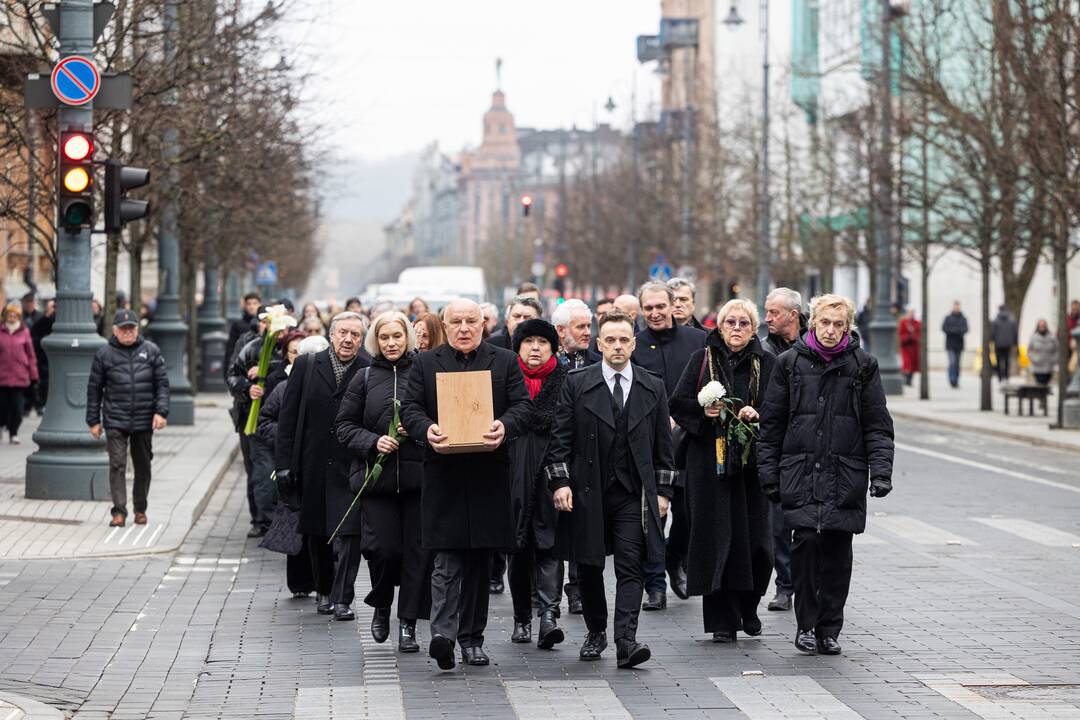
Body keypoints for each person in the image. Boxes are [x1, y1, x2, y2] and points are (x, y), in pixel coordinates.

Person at [759, 293, 895, 656]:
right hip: (800, 473)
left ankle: (829, 628)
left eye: (839, 324)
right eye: (825, 323)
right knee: (804, 547)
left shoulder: (863, 366)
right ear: (812, 322)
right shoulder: (788, 364)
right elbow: (771, 426)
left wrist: (881, 472)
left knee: (837, 553)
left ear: (848, 327)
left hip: (844, 473)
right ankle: (805, 624)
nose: (831, 331)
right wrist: (769, 475)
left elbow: (877, 425)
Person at [401, 299, 530, 670]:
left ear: (483, 324)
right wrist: (427, 429)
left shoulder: (504, 360)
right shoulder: (426, 363)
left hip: (489, 474)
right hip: (444, 475)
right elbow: (410, 408)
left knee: (479, 562)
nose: (463, 328)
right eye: (455, 321)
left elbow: (522, 407)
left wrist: (505, 426)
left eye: (471, 321)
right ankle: (443, 635)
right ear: (445, 324)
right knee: (445, 558)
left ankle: (473, 640)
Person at [544, 310, 675, 668]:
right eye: (610, 340)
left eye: (624, 340)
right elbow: (560, 440)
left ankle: (626, 640)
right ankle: (596, 631)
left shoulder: (653, 385)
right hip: (588, 490)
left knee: (631, 565)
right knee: (588, 565)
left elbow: (664, 446)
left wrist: (663, 494)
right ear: (599, 344)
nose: (617, 346)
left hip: (633, 492)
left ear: (633, 343)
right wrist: (561, 482)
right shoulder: (576, 382)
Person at [671, 299, 775, 642]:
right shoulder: (701, 360)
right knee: (716, 541)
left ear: (754, 329)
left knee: (758, 546)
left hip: (752, 467)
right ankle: (722, 622)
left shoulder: (767, 363)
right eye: (730, 322)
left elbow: (779, 410)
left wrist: (755, 415)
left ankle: (749, 605)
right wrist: (704, 415)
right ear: (719, 326)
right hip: (709, 466)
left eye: (744, 323)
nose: (736, 328)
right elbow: (678, 403)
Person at [335, 312, 432, 649]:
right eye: (385, 337)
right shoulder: (363, 377)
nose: (392, 343)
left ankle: (408, 624)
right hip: (375, 482)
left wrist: (417, 431)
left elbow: (438, 421)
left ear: (407, 337)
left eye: (397, 336)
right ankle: (382, 604)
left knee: (417, 555)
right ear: (376, 340)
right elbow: (344, 426)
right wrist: (373, 441)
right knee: (382, 550)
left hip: (418, 481)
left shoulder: (423, 373)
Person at [275, 312, 370, 618]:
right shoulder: (307, 365)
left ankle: (343, 597)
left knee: (349, 533)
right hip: (313, 460)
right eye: (343, 332)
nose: (348, 339)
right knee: (317, 531)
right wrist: (285, 463)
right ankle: (324, 590)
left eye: (355, 334)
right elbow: (288, 417)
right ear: (331, 335)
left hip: (351, 462)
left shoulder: (367, 367)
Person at [632, 281, 706, 611]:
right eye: (648, 308)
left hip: (690, 443)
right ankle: (655, 585)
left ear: (672, 303)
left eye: (660, 306)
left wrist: (684, 416)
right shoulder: (634, 343)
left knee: (688, 515)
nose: (655, 313)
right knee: (651, 517)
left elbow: (708, 386)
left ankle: (676, 561)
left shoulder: (696, 340)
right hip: (647, 445)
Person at [506, 318, 569, 650]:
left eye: (542, 342)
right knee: (517, 551)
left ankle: (548, 616)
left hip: (551, 476)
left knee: (549, 546)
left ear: (552, 348)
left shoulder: (565, 382)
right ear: (518, 347)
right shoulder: (506, 380)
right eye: (528, 341)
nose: (535, 348)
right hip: (512, 476)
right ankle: (521, 619)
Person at [86, 309, 169, 527]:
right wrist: (93, 421)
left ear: (137, 329)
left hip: (143, 418)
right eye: (123, 329)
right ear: (115, 331)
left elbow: (162, 384)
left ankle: (140, 508)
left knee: (143, 465)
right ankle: (119, 511)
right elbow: (94, 389)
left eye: (131, 328)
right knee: (117, 464)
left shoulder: (151, 351)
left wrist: (161, 412)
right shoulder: (104, 354)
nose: (128, 332)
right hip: (115, 418)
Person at [257, 331, 317, 599]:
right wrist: (287, 436)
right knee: (297, 525)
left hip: (322, 467)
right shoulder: (283, 387)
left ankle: (327, 583)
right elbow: (265, 421)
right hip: (293, 466)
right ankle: (301, 581)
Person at [759, 287, 807, 613]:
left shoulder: (814, 347)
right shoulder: (763, 351)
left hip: (808, 445)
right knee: (778, 524)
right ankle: (784, 585)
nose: (767, 318)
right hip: (778, 445)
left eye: (773, 312)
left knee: (807, 525)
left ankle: (804, 583)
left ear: (793, 315)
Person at [227, 307, 280, 537]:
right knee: (257, 471)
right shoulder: (251, 348)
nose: (269, 328)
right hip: (252, 418)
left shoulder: (289, 348)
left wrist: (268, 371)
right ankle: (260, 519)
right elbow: (232, 376)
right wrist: (248, 389)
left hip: (281, 420)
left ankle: (279, 517)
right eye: (265, 323)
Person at [0, 305, 38, 444]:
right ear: (5, 316)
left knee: (17, 407)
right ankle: (2, 424)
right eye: (10, 315)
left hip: (19, 376)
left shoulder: (24, 332)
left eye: (15, 315)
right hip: (2, 376)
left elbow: (31, 354)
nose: (12, 318)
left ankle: (13, 432)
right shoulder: (1, 331)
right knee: (2, 406)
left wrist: (33, 374)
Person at [552, 299, 597, 369]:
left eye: (588, 326)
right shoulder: (545, 362)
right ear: (561, 330)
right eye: (581, 327)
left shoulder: (598, 363)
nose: (588, 332)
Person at [29, 298, 54, 415]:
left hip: (53, 358)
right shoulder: (43, 320)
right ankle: (40, 404)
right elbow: (33, 335)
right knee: (43, 383)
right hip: (43, 358)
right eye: (52, 307)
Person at [226, 292, 261, 365]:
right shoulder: (237, 325)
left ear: (260, 305)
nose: (252, 307)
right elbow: (230, 349)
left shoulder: (264, 324)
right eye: (249, 304)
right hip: (241, 364)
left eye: (255, 304)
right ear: (244, 305)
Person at [942, 302, 969, 388]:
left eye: (958, 307)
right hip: (950, 344)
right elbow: (944, 328)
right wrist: (955, 331)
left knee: (957, 364)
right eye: (955, 307)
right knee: (952, 362)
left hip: (959, 345)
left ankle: (956, 380)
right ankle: (952, 379)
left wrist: (956, 331)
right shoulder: (948, 318)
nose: (956, 308)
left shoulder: (963, 318)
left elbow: (965, 329)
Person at [991, 305, 1019, 382]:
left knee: (998, 360)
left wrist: (992, 340)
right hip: (1008, 344)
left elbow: (992, 333)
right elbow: (1015, 333)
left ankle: (1000, 376)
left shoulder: (995, 320)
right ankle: (1006, 376)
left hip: (998, 344)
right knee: (1007, 360)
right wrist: (1015, 343)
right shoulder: (1012, 320)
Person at [1028, 319, 1057, 385]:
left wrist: (1053, 360)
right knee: (1039, 384)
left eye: (1043, 325)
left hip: (1048, 366)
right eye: (1040, 326)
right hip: (1037, 367)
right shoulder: (1033, 337)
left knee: (1046, 385)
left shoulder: (1052, 337)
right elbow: (1029, 351)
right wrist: (1034, 359)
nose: (1042, 327)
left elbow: (1056, 350)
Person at [898, 308, 921, 386]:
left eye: (912, 313)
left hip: (914, 347)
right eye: (909, 313)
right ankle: (906, 377)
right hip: (906, 346)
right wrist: (907, 337)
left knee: (913, 364)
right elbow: (900, 333)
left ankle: (909, 380)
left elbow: (919, 334)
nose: (911, 314)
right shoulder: (903, 322)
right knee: (907, 363)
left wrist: (913, 337)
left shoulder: (917, 323)